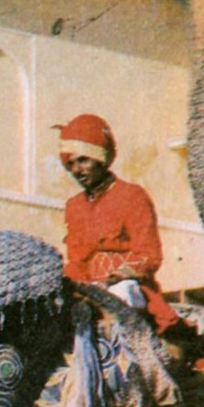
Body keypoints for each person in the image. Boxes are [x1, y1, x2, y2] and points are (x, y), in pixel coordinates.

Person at [55, 113, 164, 292]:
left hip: (128, 286)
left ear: (101, 159)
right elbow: (77, 262)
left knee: (122, 294)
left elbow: (149, 255)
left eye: (83, 160)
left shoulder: (132, 195)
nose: (76, 170)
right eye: (71, 164)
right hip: (89, 289)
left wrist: (113, 280)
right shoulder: (74, 206)